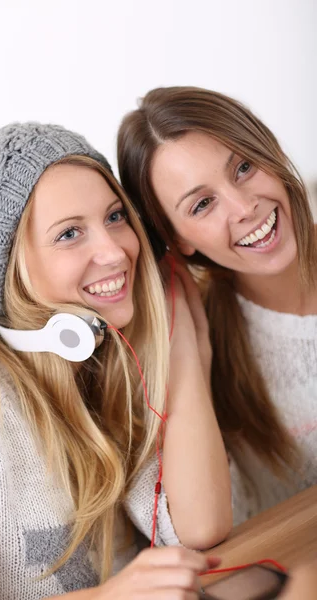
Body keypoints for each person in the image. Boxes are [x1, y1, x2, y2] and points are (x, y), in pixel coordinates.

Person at [0, 122, 230, 599]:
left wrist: (185, 347)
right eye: (69, 234)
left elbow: (197, 529)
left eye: (115, 217)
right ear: (9, 270)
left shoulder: (112, 365)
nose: (114, 250)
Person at [117, 86, 317, 524]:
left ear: (271, 149)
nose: (244, 207)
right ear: (178, 240)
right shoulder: (209, 347)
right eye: (203, 204)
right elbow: (205, 531)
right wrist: (188, 351)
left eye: (244, 167)